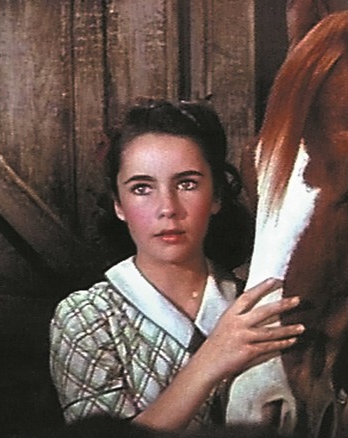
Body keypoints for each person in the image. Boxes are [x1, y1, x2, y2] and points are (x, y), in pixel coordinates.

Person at [49, 98, 305, 433]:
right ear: (118, 205)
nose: (167, 208)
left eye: (187, 183)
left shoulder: (257, 309)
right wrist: (213, 358)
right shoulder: (87, 318)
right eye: (142, 188)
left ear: (215, 197)